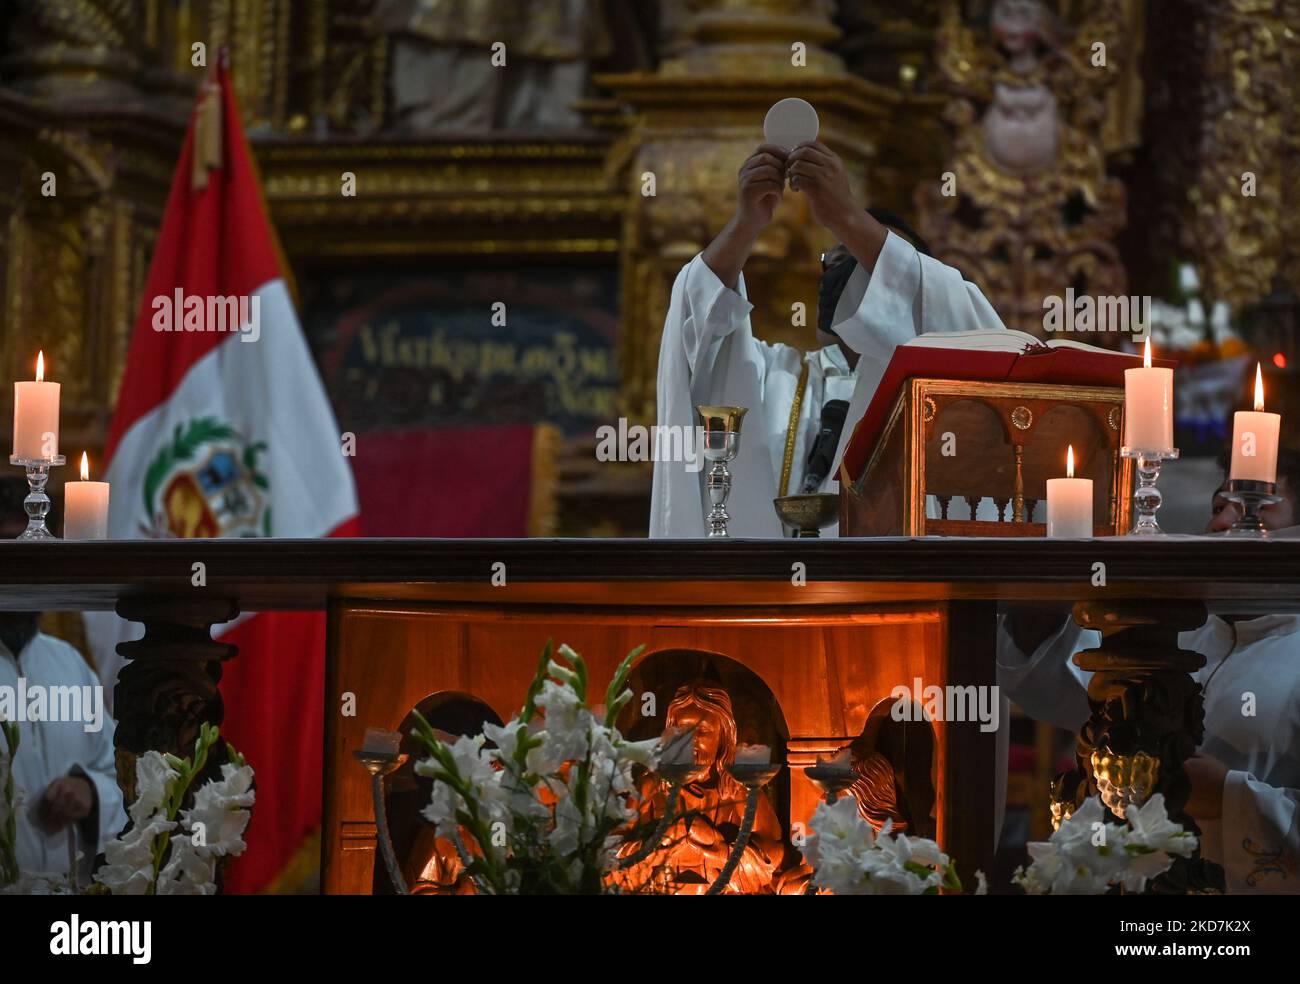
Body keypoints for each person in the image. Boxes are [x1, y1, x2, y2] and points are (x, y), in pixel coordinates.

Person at [650, 140, 1007, 537]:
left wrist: (844, 215)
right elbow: (696, 325)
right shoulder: (772, 376)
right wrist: (747, 221)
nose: (843, 272)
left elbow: (960, 320)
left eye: (863, 259)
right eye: (834, 260)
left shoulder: (936, 369)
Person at [998, 444, 1300, 893]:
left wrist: (1230, 795)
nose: (1221, 523)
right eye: (1220, 506)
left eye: (1255, 509)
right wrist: (1055, 571)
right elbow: (1061, 683)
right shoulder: (1180, 627)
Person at [0, 477, 124, 886]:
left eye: (32, 554)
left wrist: (88, 792)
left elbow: (117, 777)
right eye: (6, 548)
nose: (21, 569)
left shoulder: (68, 663)